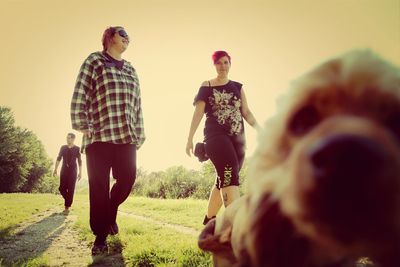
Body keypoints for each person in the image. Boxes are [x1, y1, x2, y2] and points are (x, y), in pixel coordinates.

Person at [71, 26, 145, 255]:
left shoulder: (131, 69)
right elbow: (80, 93)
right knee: (99, 188)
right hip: (99, 137)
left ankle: (110, 213)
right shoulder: (95, 61)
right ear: (110, 37)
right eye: (122, 33)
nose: (127, 37)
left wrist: (140, 132)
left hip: (126, 136)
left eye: (128, 36)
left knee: (128, 178)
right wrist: (84, 125)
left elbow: (137, 103)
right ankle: (100, 237)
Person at [186, 50, 259, 225]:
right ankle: (236, 228)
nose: (222, 66)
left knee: (225, 179)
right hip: (215, 136)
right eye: (219, 63)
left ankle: (209, 220)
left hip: (238, 139)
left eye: (226, 62)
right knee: (230, 176)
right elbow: (198, 113)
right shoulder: (207, 86)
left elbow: (246, 112)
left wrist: (261, 129)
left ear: (230, 64)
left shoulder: (238, 87)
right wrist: (189, 137)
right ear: (214, 65)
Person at [53, 133, 82, 212]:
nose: (67, 139)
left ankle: (67, 206)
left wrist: (80, 172)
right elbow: (59, 158)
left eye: (69, 138)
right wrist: (55, 169)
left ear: (73, 139)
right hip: (64, 170)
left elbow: (79, 161)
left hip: (73, 170)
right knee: (62, 188)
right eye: (67, 138)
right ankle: (69, 200)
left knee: (71, 188)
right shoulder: (63, 148)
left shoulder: (77, 148)